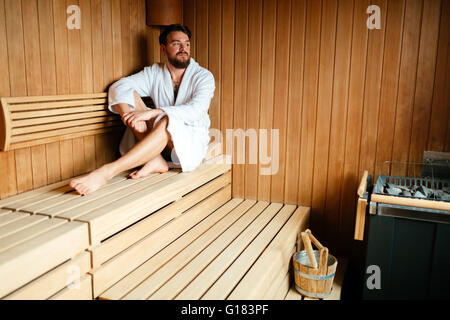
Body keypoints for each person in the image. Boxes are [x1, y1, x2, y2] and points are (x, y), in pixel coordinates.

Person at [70, 24, 215, 195]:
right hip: (157, 141)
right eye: (176, 43)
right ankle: (155, 159)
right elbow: (119, 86)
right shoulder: (155, 73)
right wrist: (131, 118)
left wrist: (154, 112)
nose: (183, 48)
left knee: (168, 120)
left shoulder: (203, 76)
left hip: (190, 142)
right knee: (126, 92)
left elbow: (196, 109)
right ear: (163, 48)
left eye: (187, 43)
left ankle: (106, 172)